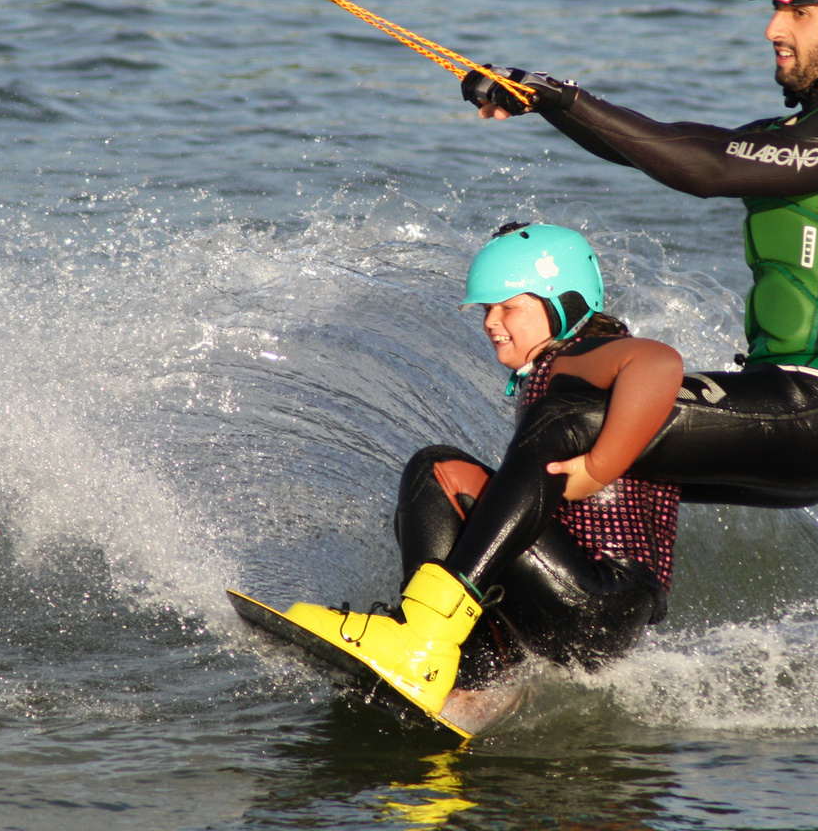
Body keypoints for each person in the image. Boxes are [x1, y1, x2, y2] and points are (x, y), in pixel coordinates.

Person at [454, 0, 818, 498]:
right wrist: (540, 99)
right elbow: (662, 144)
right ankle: (587, 586)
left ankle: (457, 586)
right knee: (594, 432)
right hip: (778, 400)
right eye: (776, 10)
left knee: (576, 416)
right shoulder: (793, 139)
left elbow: (706, 170)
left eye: (798, 13)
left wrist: (565, 98)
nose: (773, 30)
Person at [270, 223, 687, 715]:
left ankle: (421, 644)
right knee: (477, 517)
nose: (491, 321)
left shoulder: (578, 357)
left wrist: (599, 467)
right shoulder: (568, 365)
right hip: (602, 611)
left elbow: (659, 362)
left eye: (509, 307)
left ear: (564, 306)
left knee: (438, 473)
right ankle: (474, 681)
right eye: (487, 309)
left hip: (599, 595)